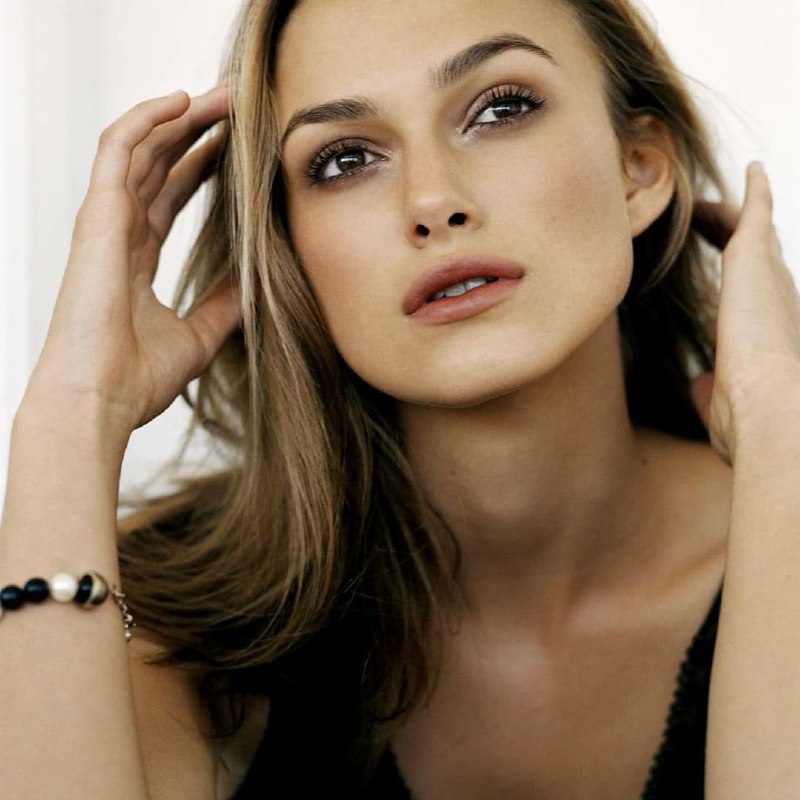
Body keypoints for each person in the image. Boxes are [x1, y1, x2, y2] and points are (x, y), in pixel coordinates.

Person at [1, 0, 798, 797]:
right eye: (346, 159)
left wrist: (781, 426)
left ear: (639, 170)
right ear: (289, 250)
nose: (432, 201)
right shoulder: (161, 623)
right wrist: (72, 413)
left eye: (501, 109)